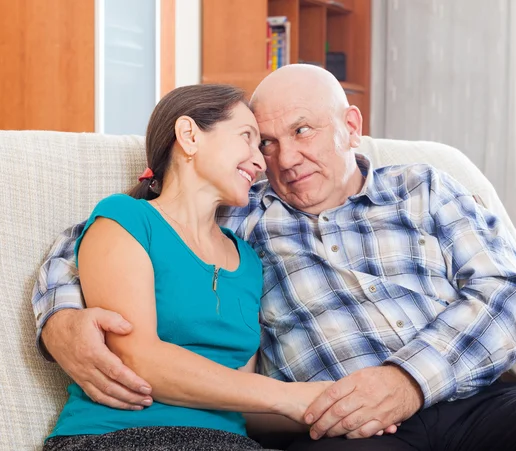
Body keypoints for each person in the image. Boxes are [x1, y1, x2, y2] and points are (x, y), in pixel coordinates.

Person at [33, 64, 516, 451]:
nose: (283, 158)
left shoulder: (426, 187)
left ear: (350, 126)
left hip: (476, 398)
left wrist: (408, 380)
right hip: (343, 428)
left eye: (303, 130)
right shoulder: (242, 209)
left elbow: (507, 292)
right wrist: (59, 320)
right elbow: (100, 234)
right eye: (266, 142)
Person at [41, 83, 334, 451]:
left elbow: (239, 394)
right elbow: (139, 358)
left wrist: (330, 406)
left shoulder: (248, 261)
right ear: (189, 135)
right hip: (119, 436)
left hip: (228, 443)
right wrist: (289, 396)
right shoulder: (127, 219)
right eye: (247, 137)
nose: (261, 162)